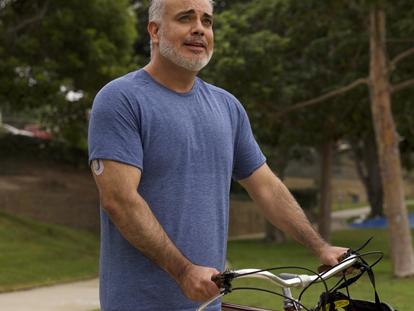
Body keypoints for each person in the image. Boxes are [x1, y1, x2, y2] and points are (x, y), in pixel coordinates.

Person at [88, 0, 348, 310]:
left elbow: (265, 186)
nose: (199, 28)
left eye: (207, 21)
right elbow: (119, 200)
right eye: (186, 18)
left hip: (207, 304)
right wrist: (183, 272)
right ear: (155, 31)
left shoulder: (227, 107)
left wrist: (320, 247)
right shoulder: (121, 100)